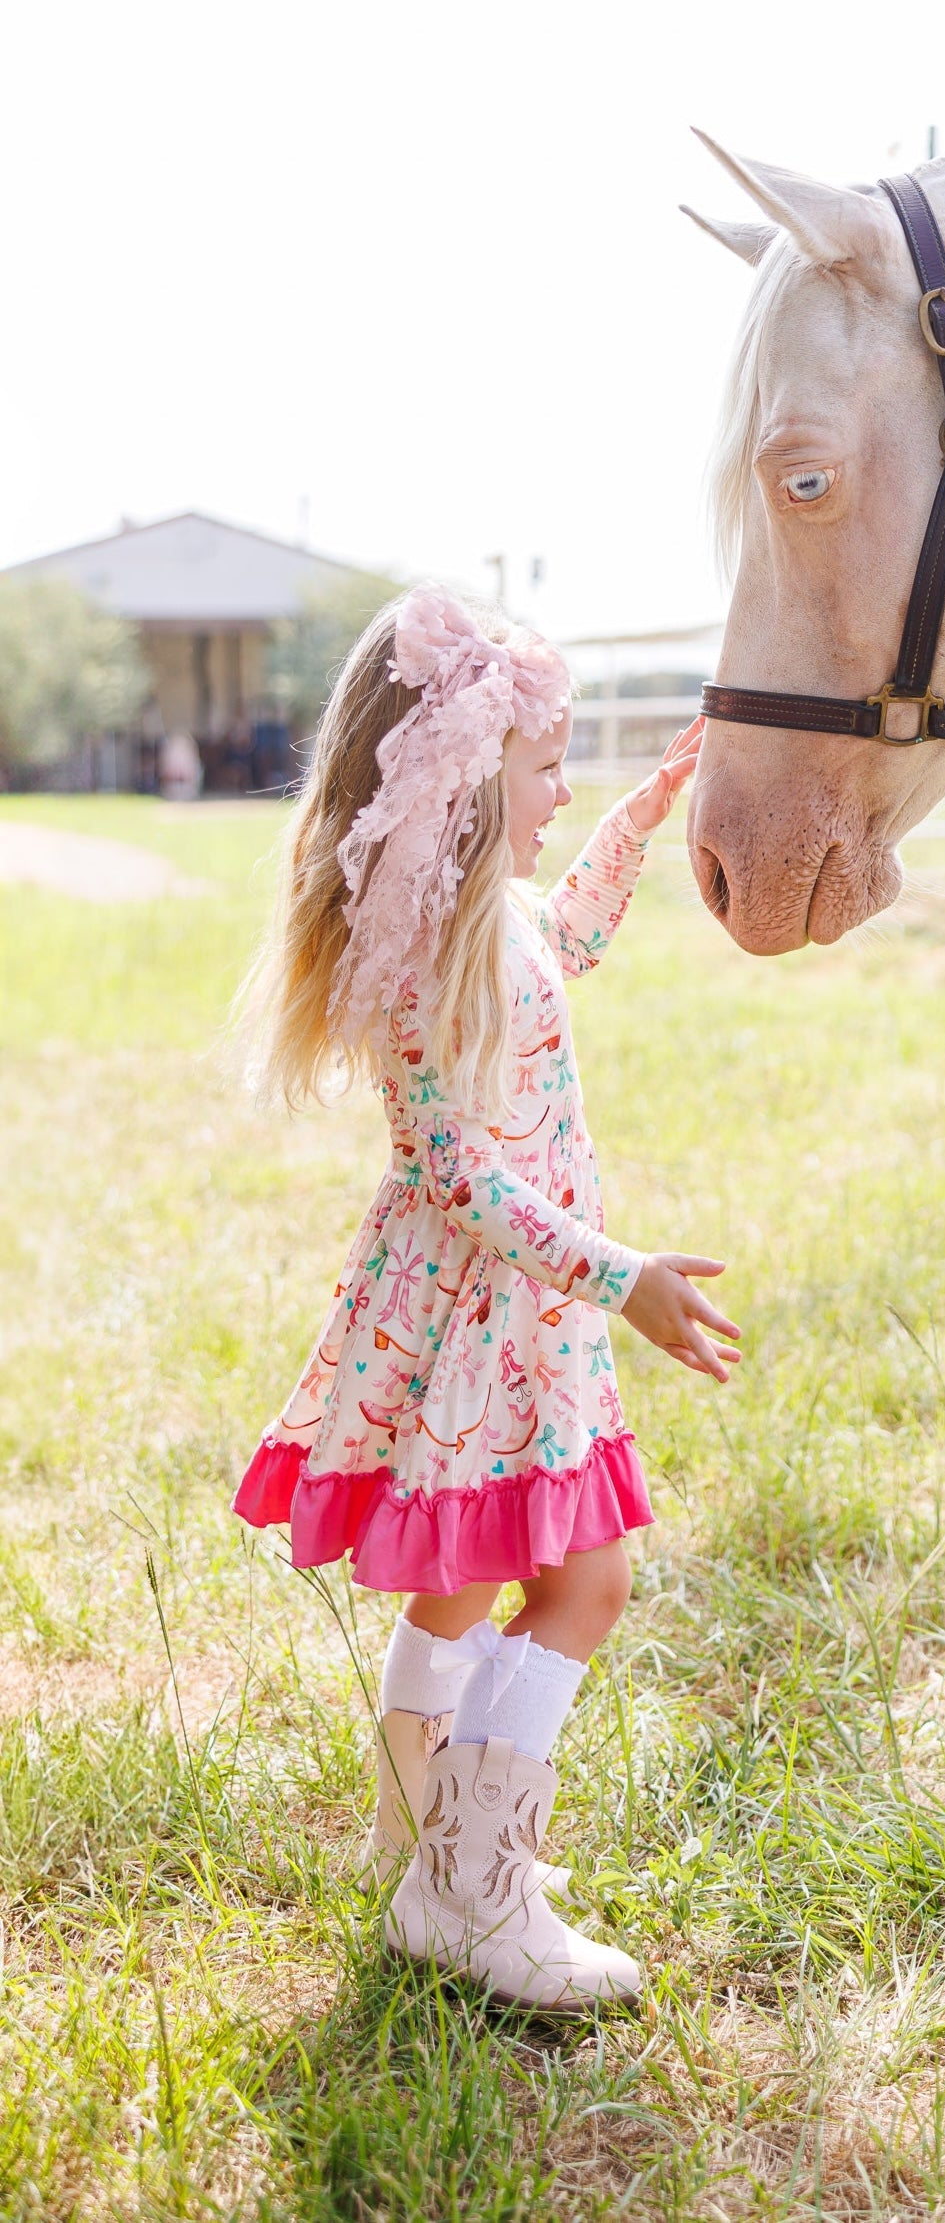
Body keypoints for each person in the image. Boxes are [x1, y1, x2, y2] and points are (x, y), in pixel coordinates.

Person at [233, 586, 738, 2011]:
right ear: (462, 784)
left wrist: (628, 826)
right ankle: (468, 1891)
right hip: (493, 1312)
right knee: (588, 1578)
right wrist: (617, 1270)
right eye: (544, 764)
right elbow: (458, 1179)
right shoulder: (415, 966)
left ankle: (426, 1839)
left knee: (461, 1586)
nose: (560, 784)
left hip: (495, 1314)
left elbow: (561, 941)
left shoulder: (481, 922)